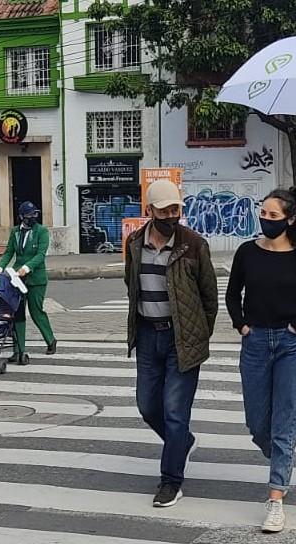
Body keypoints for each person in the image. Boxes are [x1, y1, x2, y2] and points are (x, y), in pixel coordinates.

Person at [225, 187, 296, 533]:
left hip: (292, 345)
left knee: (285, 422)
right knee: (258, 423)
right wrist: (240, 323)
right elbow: (232, 292)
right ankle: (280, 456)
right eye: (263, 213)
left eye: (273, 215)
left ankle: (276, 498)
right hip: (255, 341)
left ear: (290, 219)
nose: (265, 219)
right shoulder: (247, 252)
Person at [125, 179, 218, 509]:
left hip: (182, 339)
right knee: (148, 406)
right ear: (150, 211)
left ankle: (170, 481)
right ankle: (182, 444)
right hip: (148, 335)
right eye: (164, 210)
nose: (170, 216)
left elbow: (210, 297)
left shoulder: (194, 245)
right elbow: (131, 284)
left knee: (175, 413)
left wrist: (199, 335)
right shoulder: (135, 243)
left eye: (175, 209)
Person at [0, 201, 57, 363]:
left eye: (35, 214)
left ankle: (50, 340)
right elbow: (9, 252)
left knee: (36, 312)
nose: (33, 218)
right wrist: (0, 267)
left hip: (36, 278)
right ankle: (19, 350)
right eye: (29, 215)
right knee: (18, 314)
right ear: (21, 216)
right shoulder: (15, 231)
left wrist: (27, 267)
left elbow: (40, 255)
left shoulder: (41, 232)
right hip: (17, 278)